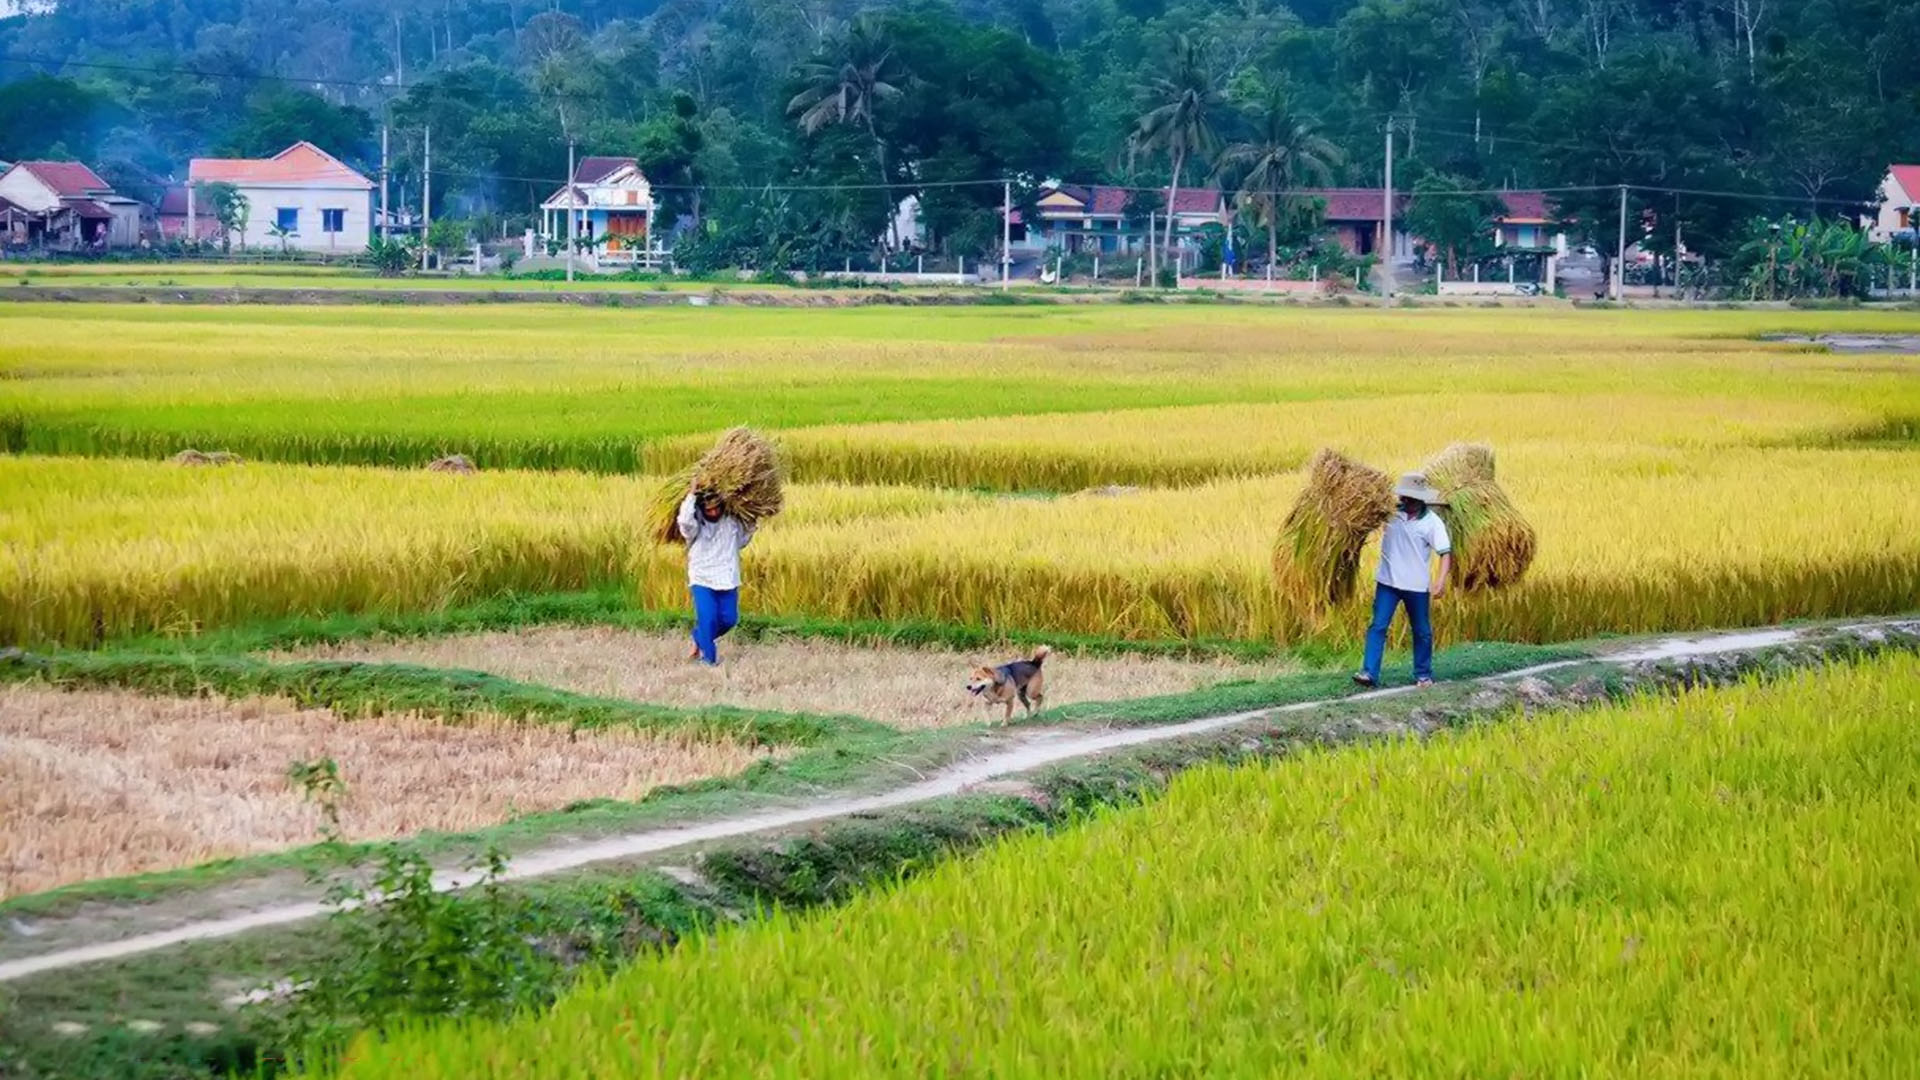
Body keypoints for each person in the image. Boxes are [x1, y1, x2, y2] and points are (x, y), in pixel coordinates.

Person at [1353, 473, 1452, 689]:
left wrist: (1441, 581)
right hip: (1387, 582)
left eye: (1412, 498)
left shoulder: (1433, 523)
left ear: (1421, 499)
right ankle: (1369, 673)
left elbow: (1445, 553)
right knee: (1378, 626)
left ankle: (1423, 674)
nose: (1406, 502)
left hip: (1416, 586)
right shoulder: (1389, 514)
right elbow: (1360, 521)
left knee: (1422, 631)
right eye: (1404, 497)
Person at [677, 488, 755, 665]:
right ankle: (708, 660)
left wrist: (752, 520)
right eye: (708, 510)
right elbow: (684, 522)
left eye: (716, 508)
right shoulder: (695, 525)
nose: (713, 512)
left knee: (729, 619)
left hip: (727, 576)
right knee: (708, 618)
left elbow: (742, 542)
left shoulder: (732, 522)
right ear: (702, 510)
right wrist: (691, 495)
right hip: (702, 577)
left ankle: (699, 637)